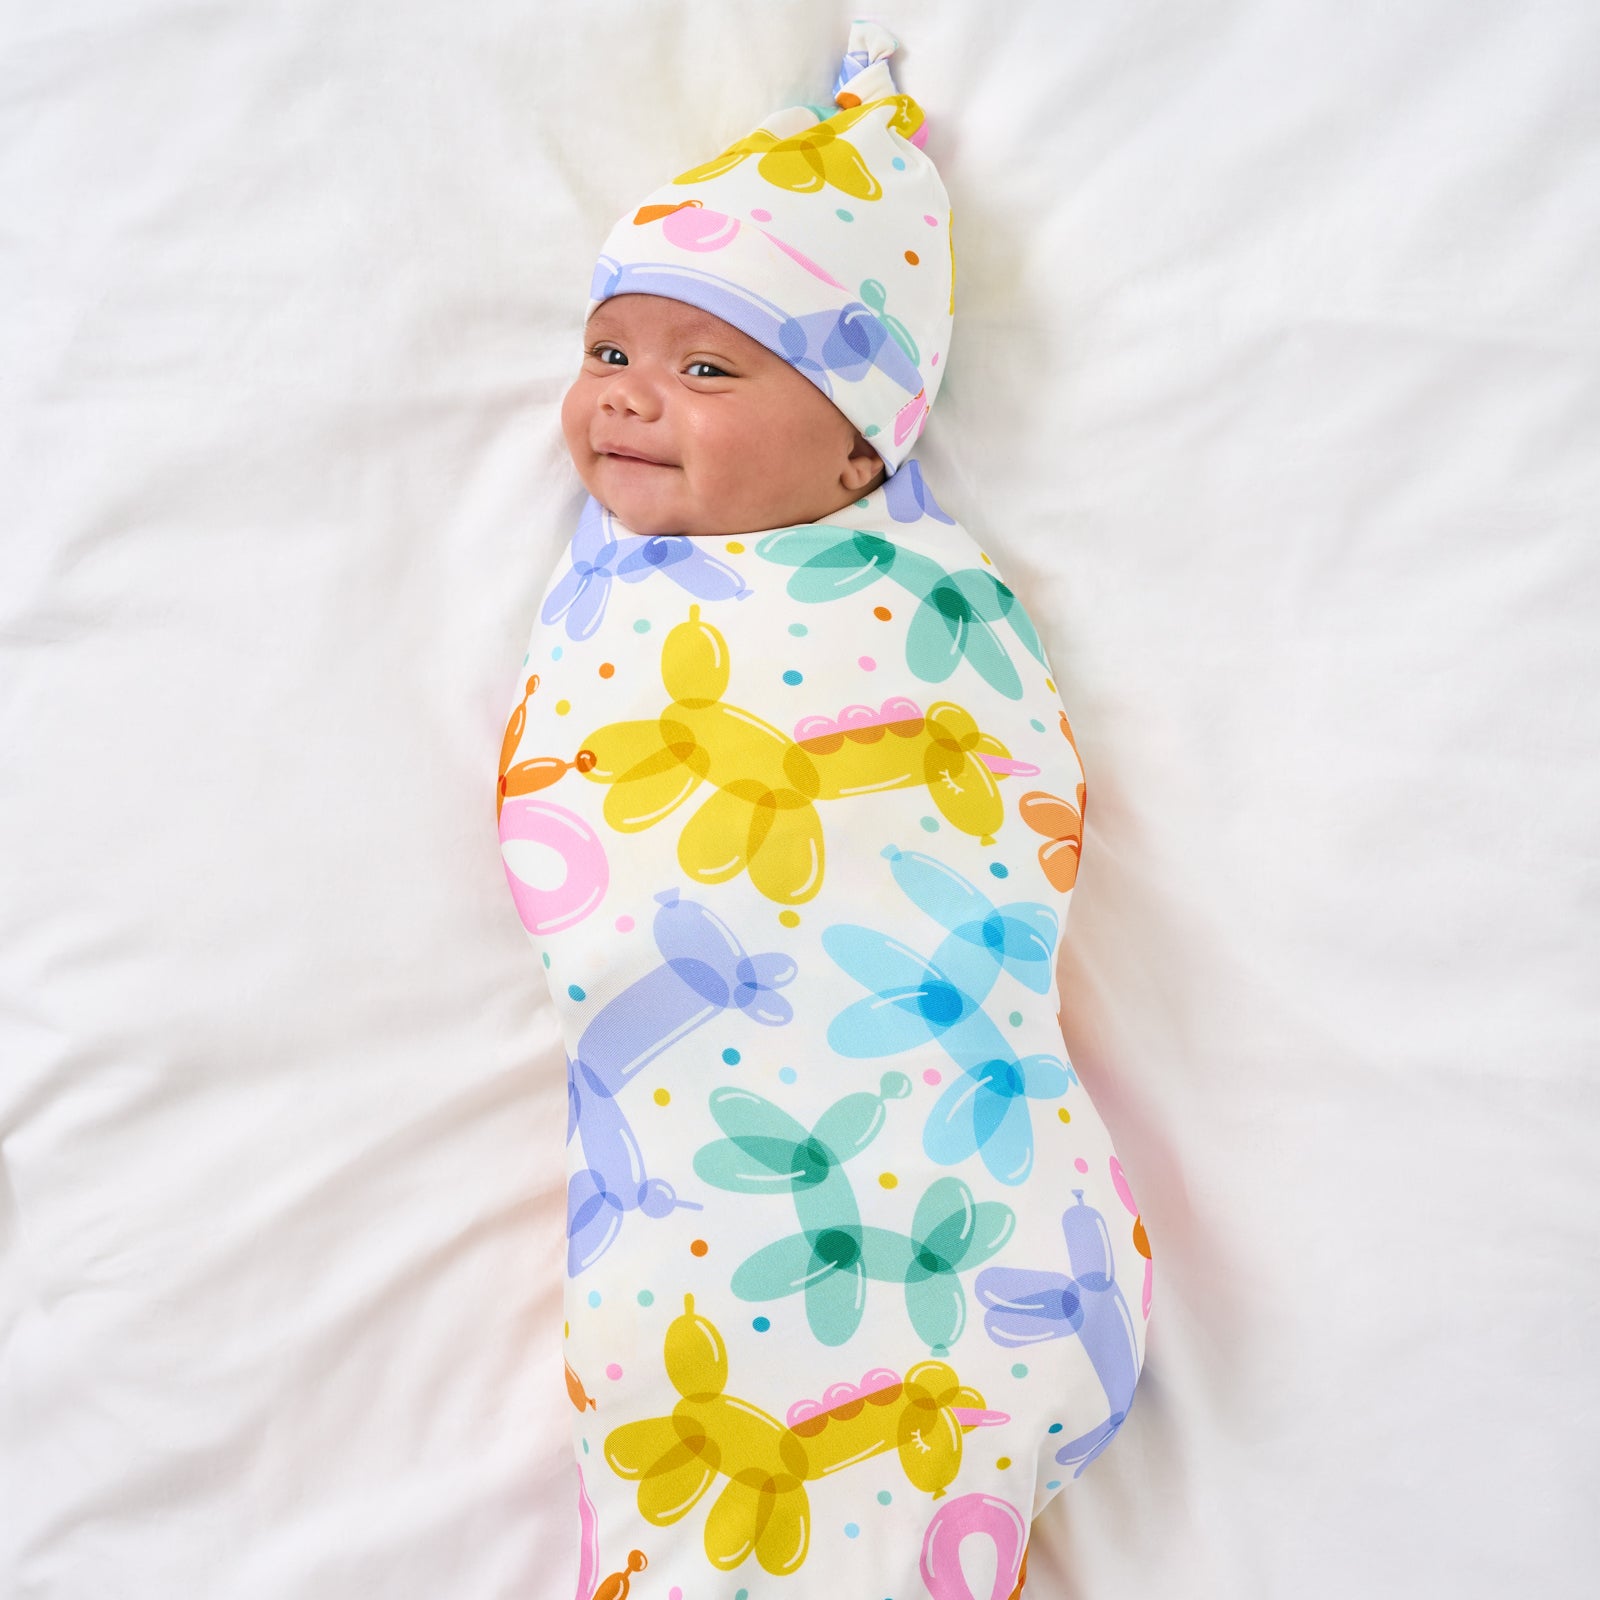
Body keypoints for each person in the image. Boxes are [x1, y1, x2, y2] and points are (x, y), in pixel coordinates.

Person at [498, 23, 1152, 1598]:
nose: (628, 399)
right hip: (701, 1161)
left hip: (942, 1154)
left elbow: (994, 802)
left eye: (705, 368)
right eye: (608, 352)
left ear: (862, 446)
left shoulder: (925, 606)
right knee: (685, 1372)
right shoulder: (621, 594)